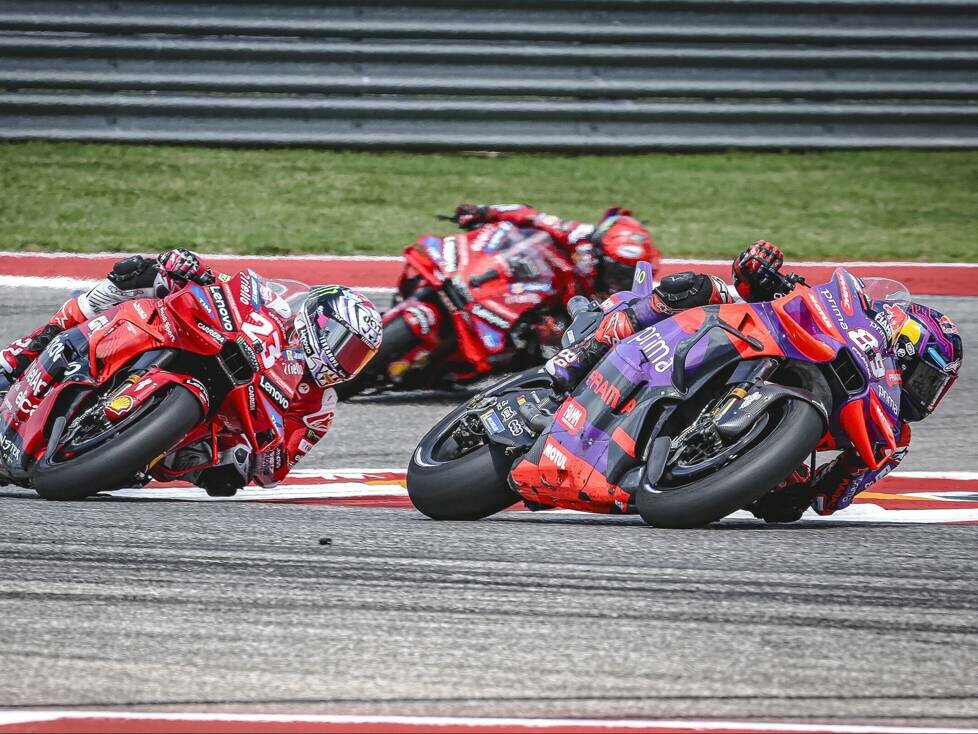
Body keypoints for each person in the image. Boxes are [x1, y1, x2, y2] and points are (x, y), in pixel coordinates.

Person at [544, 240, 963, 522]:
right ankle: (590, 345)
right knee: (698, 287)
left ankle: (685, 459)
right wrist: (760, 271)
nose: (925, 395)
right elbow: (762, 284)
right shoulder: (847, 320)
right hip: (736, 338)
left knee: (786, 505)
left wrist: (801, 484)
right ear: (904, 344)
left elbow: (831, 499)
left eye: (935, 389)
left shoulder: (891, 437)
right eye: (927, 379)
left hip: (752, 467)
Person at [0, 248, 382, 495]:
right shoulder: (277, 308)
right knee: (134, 281)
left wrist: (248, 465)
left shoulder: (320, 406)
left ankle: (115, 452)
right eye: (343, 343)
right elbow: (228, 288)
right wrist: (190, 267)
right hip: (199, 341)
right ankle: (15, 362)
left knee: (223, 465)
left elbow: (277, 467)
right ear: (319, 319)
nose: (343, 359)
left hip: (212, 423)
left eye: (356, 357)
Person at [453, 203, 660, 295]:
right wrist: (485, 211)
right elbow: (531, 216)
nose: (618, 281)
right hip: (531, 277)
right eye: (615, 270)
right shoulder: (580, 234)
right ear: (599, 250)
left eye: (627, 275)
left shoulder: (634, 298)